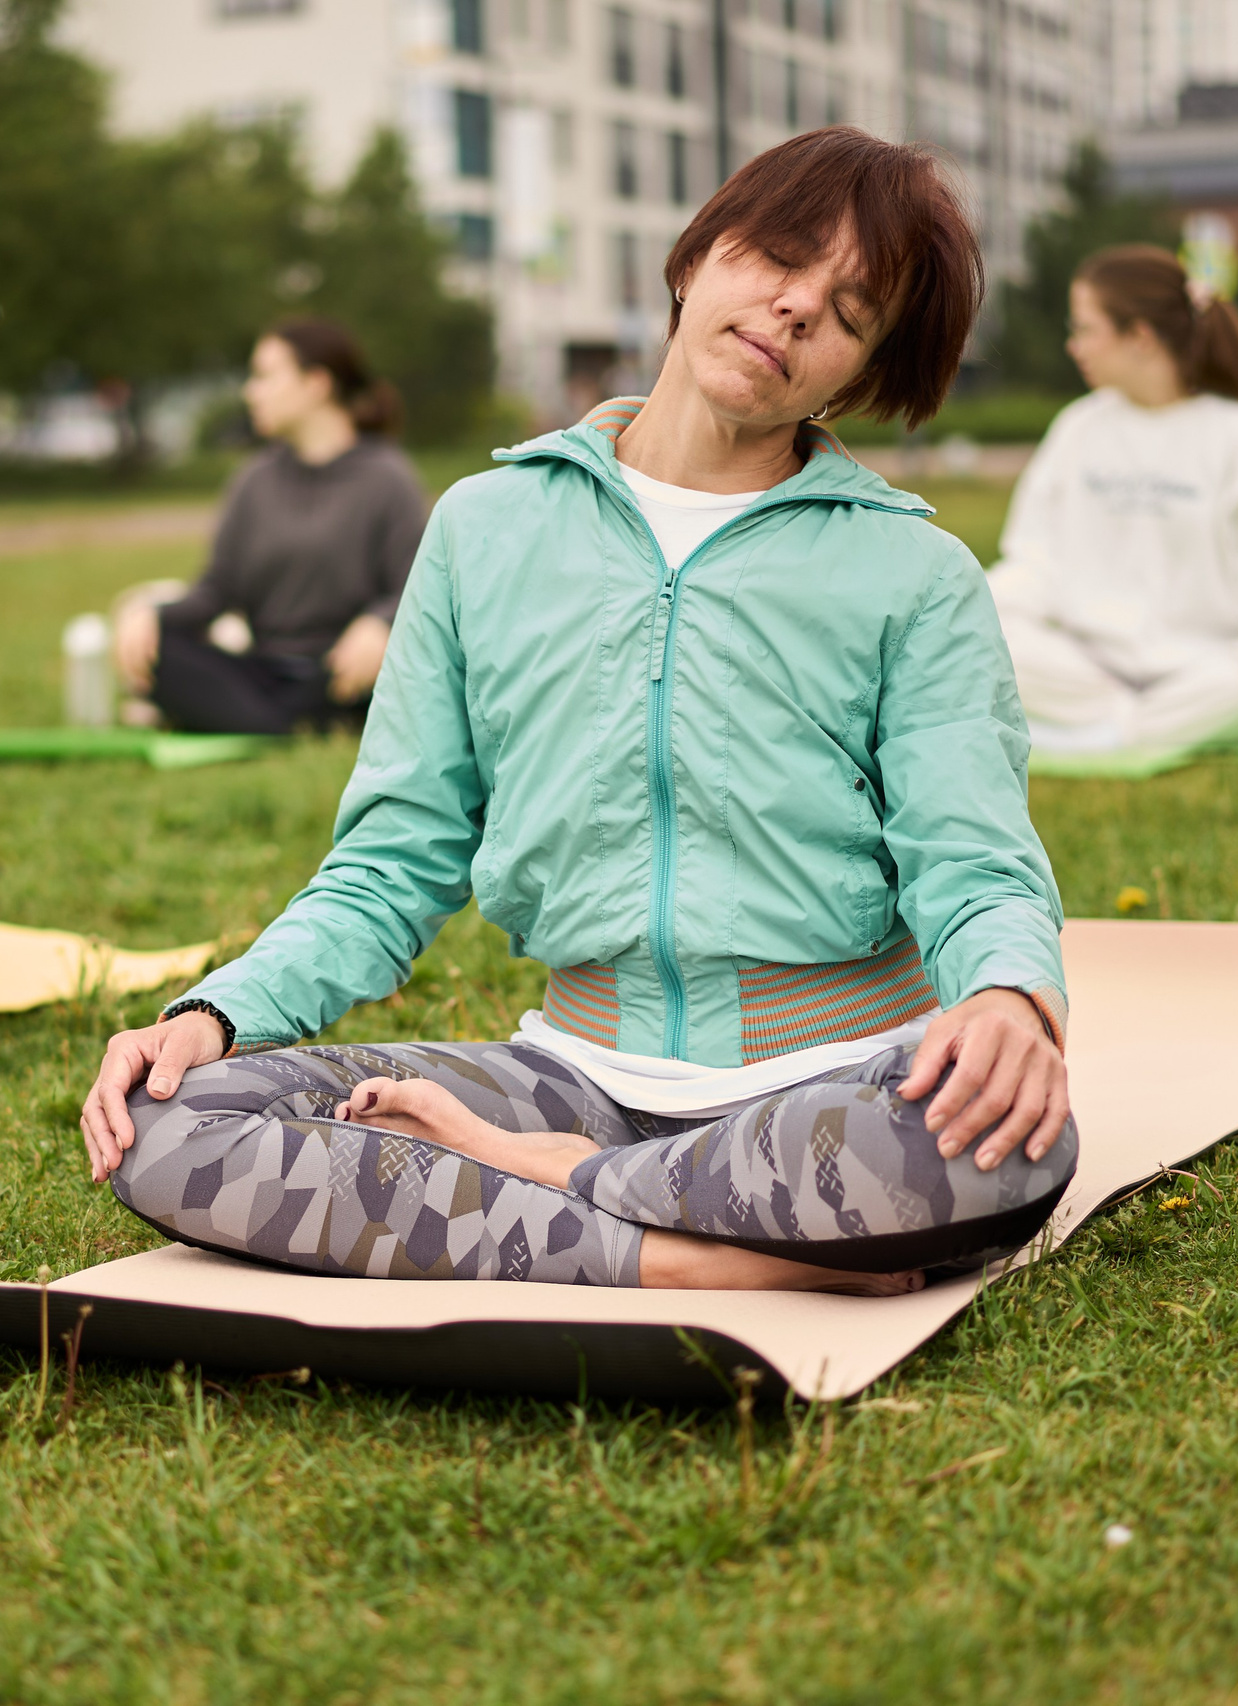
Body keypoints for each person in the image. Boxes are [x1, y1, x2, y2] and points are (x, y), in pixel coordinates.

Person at [81, 128, 1076, 1295]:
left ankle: (549, 1188)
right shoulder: (483, 527)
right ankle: (711, 1253)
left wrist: (1011, 994)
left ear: (861, 374)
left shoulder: (915, 574)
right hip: (574, 1074)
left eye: (851, 313)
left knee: (1012, 1144)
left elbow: (974, 856)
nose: (797, 307)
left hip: (832, 1084)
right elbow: (394, 857)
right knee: (174, 1117)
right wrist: (216, 1012)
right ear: (697, 255)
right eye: (778, 255)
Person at [986, 244, 1238, 763]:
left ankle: (1088, 736)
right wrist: (976, 609)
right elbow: (1034, 561)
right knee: (986, 643)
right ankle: (1135, 732)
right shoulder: (1079, 427)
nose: (1074, 346)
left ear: (1140, 337)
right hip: (1087, 669)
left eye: (1085, 329)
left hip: (1201, 668)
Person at [112, 320, 427, 734]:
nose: (250, 391)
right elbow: (216, 593)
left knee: (397, 676)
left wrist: (382, 623)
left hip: (349, 676)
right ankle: (289, 722)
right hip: (263, 672)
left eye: (264, 376)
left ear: (316, 383)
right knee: (163, 653)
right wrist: (151, 616)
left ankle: (257, 720)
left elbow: (418, 590)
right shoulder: (253, 480)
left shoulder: (389, 477)